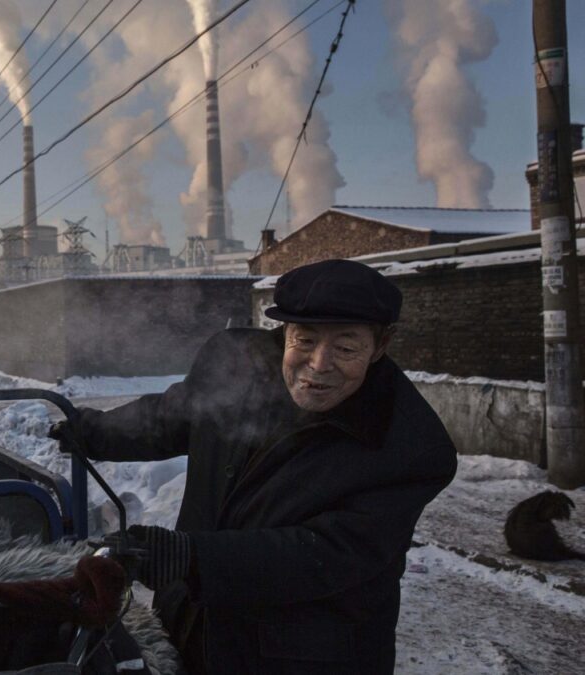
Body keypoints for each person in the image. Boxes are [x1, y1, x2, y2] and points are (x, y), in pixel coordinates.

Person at [53, 259, 457, 674]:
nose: (318, 364)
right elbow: (171, 418)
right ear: (284, 332)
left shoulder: (410, 449)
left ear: (382, 345)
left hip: (299, 657)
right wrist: (90, 432)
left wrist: (190, 558)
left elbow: (324, 556)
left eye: (346, 348)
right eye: (304, 340)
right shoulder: (238, 365)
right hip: (192, 628)